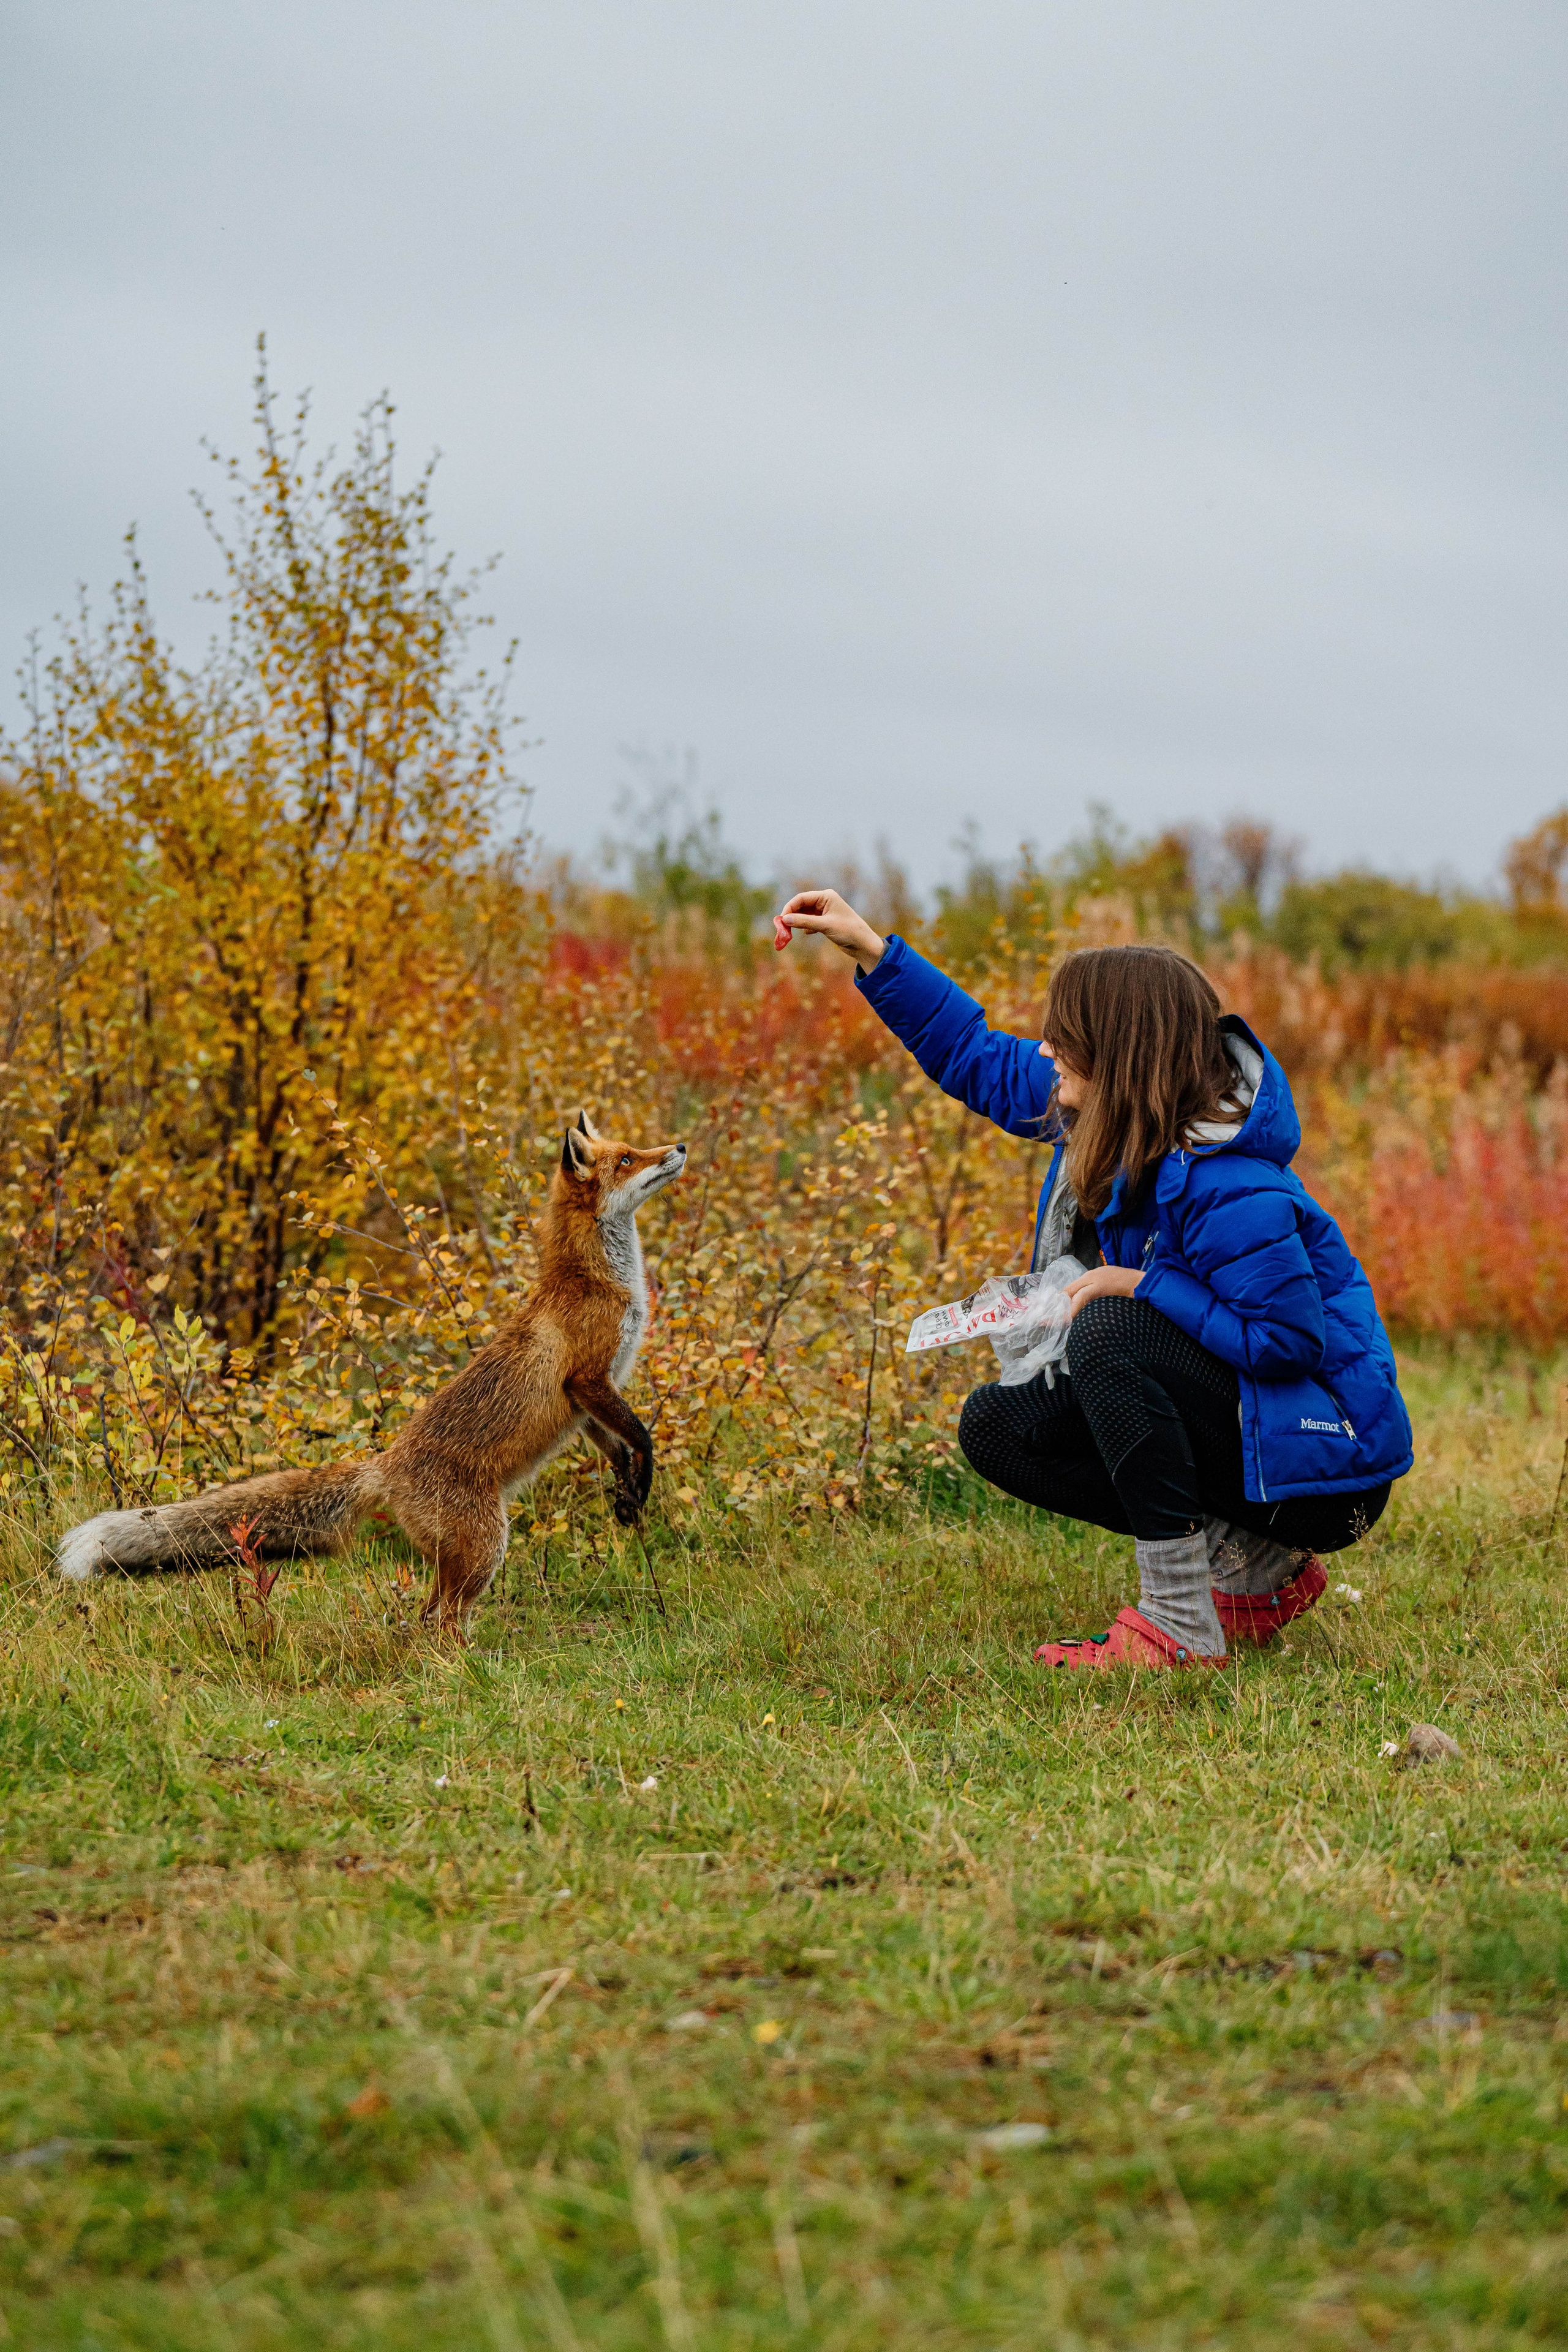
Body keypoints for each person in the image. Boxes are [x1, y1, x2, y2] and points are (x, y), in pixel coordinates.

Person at [773, 889, 1412, 1669]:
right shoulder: (1104, 1119)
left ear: (1118, 1056)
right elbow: (973, 1053)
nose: (1044, 1052)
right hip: (1252, 1439)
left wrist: (1135, 1285)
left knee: (1112, 1328)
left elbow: (1285, 1342)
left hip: (1324, 1473)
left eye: (1063, 1037)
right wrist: (873, 952)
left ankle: (1180, 1624)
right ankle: (1251, 1569)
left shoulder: (1229, 1184)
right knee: (1001, 1427)